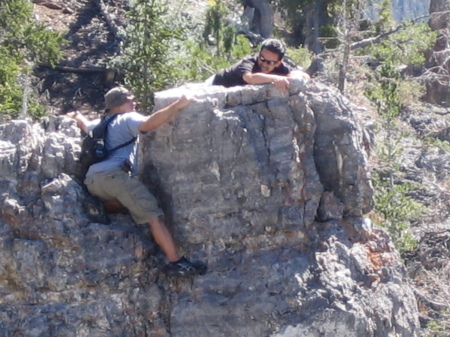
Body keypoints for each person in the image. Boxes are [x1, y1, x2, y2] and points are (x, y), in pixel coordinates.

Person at [67, 86, 207, 277]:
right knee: (154, 215)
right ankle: (177, 263)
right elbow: (149, 124)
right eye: (130, 100)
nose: (134, 104)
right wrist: (177, 105)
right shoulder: (127, 118)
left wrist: (76, 115)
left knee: (128, 206)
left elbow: (84, 124)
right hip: (114, 177)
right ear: (118, 104)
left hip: (92, 181)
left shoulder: (99, 124)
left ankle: (105, 207)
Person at [210, 38, 310, 91]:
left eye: (270, 62)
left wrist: (294, 77)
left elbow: (306, 76)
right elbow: (250, 78)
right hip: (215, 84)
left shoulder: (281, 66)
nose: (264, 64)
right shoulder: (248, 62)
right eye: (262, 58)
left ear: (278, 63)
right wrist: (276, 79)